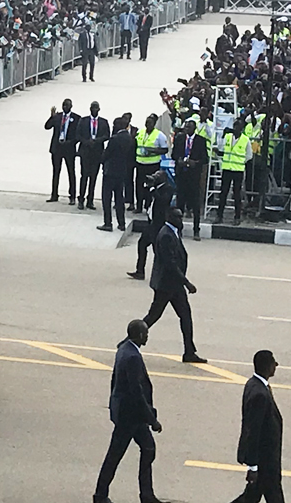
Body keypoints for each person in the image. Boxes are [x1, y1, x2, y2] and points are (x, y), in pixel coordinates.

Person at [93, 320, 163, 503]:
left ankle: (146, 495)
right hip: (130, 416)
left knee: (148, 449)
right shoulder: (133, 357)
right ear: (139, 335)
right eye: (145, 333)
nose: (147, 336)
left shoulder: (123, 348)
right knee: (115, 455)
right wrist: (152, 419)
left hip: (128, 412)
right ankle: (100, 495)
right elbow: (136, 392)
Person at [143, 208, 206, 364]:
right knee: (153, 316)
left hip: (173, 285)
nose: (181, 220)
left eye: (181, 217)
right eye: (177, 217)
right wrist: (187, 282)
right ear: (169, 217)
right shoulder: (166, 235)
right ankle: (129, 341)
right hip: (166, 285)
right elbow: (170, 264)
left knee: (185, 316)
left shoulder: (173, 232)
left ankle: (189, 351)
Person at [229, 350, 284, 503]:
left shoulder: (253, 384)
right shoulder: (260, 394)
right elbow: (253, 432)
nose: (276, 365)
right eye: (274, 362)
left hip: (265, 461)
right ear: (267, 366)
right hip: (265, 462)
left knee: (250, 497)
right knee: (273, 497)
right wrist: (253, 467)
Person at [129, 170, 173, 281]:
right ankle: (140, 271)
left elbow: (163, 201)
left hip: (159, 225)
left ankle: (164, 274)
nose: (155, 177)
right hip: (151, 223)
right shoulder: (155, 187)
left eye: (157, 176)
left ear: (163, 178)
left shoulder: (168, 188)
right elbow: (147, 199)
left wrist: (153, 189)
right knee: (142, 244)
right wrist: (147, 187)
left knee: (158, 251)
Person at [171, 119, 208, 240]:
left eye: (189, 127)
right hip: (181, 175)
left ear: (194, 128)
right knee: (179, 204)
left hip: (193, 176)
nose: (187, 129)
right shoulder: (180, 138)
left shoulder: (200, 141)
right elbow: (174, 155)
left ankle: (196, 230)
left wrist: (195, 163)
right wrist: (179, 160)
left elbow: (205, 159)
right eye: (186, 126)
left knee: (195, 205)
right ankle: (179, 229)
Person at [98, 115, 132, 233]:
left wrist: (101, 159)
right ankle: (121, 223)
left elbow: (107, 154)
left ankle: (108, 223)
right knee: (119, 199)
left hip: (110, 172)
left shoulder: (114, 139)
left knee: (107, 198)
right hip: (122, 172)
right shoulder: (128, 138)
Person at [214, 119, 252, 226]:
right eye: (235, 126)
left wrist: (240, 161)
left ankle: (237, 217)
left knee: (237, 194)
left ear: (242, 129)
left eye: (238, 127)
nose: (236, 128)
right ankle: (219, 216)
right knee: (223, 193)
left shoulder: (245, 140)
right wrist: (222, 137)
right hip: (227, 169)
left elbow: (249, 155)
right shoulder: (228, 137)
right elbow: (221, 148)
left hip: (238, 170)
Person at [77, 102, 110, 211]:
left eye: (96, 108)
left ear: (99, 109)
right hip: (85, 151)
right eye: (92, 108)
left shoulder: (103, 122)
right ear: (90, 109)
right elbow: (78, 134)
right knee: (84, 176)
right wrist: (86, 142)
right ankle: (81, 199)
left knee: (93, 177)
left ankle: (90, 200)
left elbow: (107, 135)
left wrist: (96, 141)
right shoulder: (83, 120)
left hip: (97, 152)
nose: (94, 110)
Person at [45, 99, 80, 204]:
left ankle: (72, 196)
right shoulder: (58, 116)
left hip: (69, 148)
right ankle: (54, 194)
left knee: (71, 172)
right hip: (57, 148)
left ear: (71, 106)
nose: (65, 107)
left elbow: (78, 135)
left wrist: (69, 142)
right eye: (64, 105)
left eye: (67, 106)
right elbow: (47, 127)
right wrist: (52, 117)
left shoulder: (77, 118)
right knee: (56, 172)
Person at [134, 114, 168, 212]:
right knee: (139, 185)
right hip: (140, 163)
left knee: (150, 186)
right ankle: (139, 206)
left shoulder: (159, 135)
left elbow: (165, 150)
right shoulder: (140, 132)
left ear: (154, 124)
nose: (147, 124)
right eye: (146, 122)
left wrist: (153, 151)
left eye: (150, 123)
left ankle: (148, 206)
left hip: (152, 164)